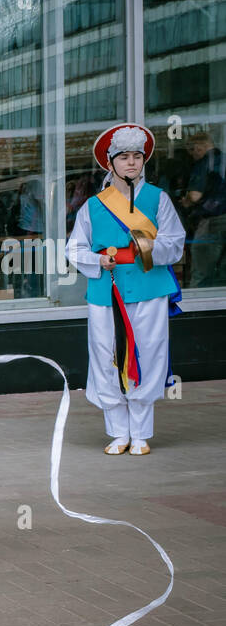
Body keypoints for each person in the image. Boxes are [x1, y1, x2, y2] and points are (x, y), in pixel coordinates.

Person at [66, 123, 186, 455]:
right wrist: (97, 260)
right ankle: (119, 433)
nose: (131, 163)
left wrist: (145, 246)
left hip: (149, 287)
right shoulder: (93, 205)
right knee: (107, 356)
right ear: (111, 163)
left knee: (147, 354)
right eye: (124, 157)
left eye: (137, 156)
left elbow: (175, 245)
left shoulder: (158, 198)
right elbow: (74, 249)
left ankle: (142, 434)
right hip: (106, 290)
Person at [181, 131, 226, 287]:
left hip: (212, 221)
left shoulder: (204, 163)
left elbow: (194, 195)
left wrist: (186, 201)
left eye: (192, 151)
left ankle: (196, 307)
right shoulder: (223, 159)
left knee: (202, 268)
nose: (193, 156)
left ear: (199, 147)